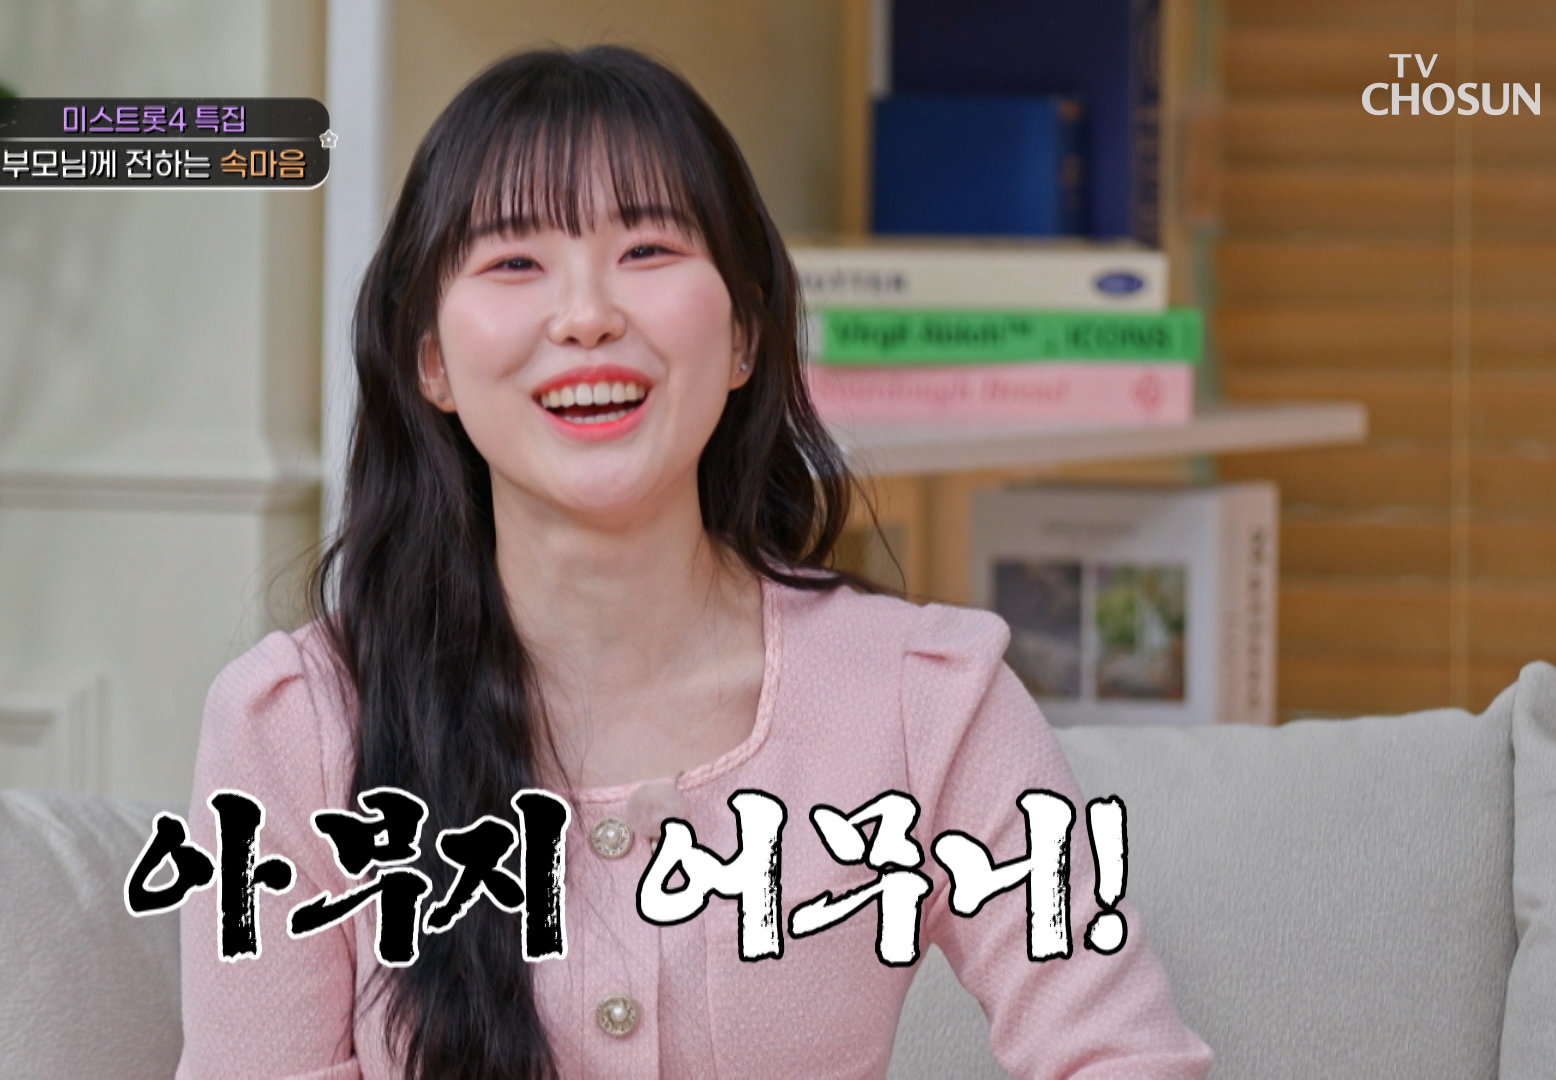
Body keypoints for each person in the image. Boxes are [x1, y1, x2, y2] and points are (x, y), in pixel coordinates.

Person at [176, 45, 1213, 1080]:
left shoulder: (923, 699)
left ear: (746, 336)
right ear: (431, 359)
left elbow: (1123, 1058)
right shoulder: (298, 727)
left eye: (648, 249)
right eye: (514, 262)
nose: (587, 316)